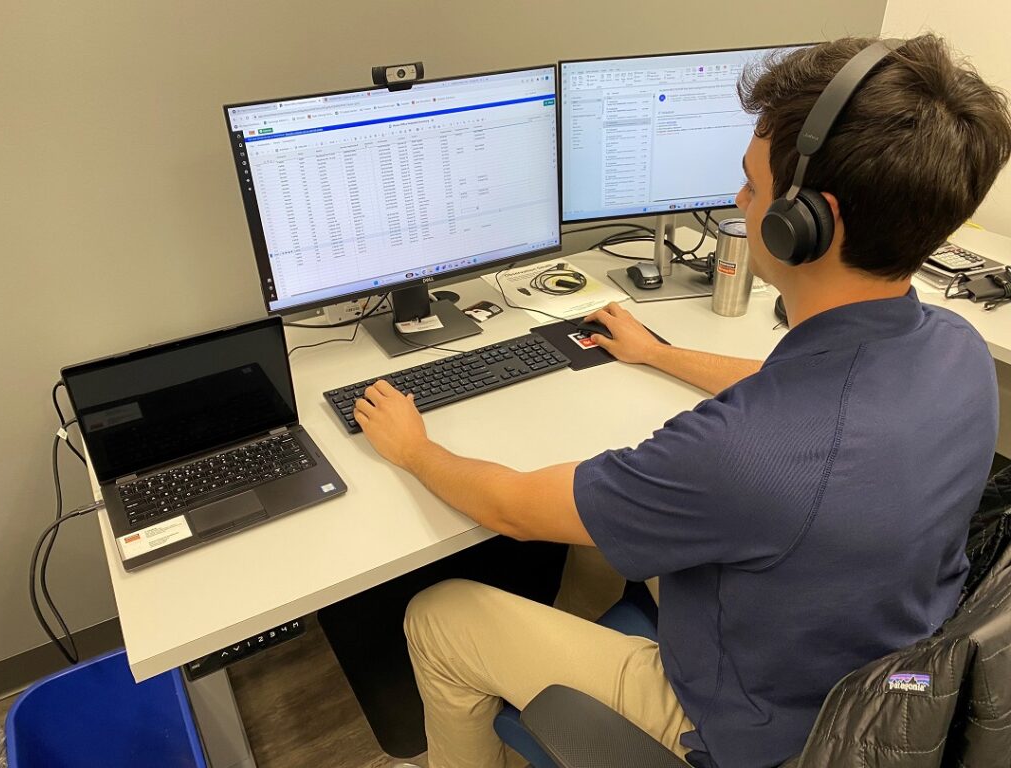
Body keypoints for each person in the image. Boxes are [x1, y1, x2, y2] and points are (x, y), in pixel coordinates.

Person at [354, 35, 1011, 768]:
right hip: (877, 678)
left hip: (755, 734)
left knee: (439, 614)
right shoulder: (958, 349)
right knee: (608, 550)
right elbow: (797, 402)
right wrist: (658, 353)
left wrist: (414, 448)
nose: (738, 201)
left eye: (753, 188)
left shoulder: (739, 456)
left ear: (807, 226)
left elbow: (511, 508)